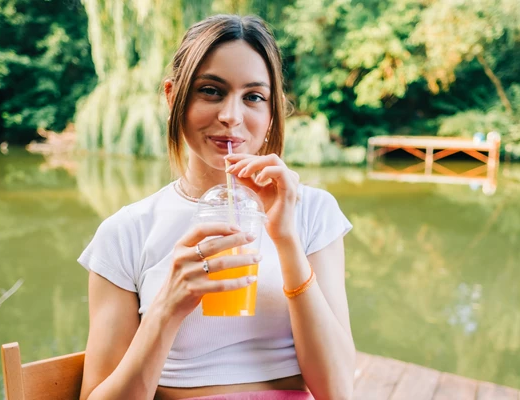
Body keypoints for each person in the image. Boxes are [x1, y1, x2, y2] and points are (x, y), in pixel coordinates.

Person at [77, 14, 354, 400]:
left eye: (254, 97)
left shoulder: (312, 212)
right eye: (211, 91)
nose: (231, 116)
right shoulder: (125, 232)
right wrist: (168, 306)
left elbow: (339, 391)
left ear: (272, 111)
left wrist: (287, 241)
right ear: (173, 96)